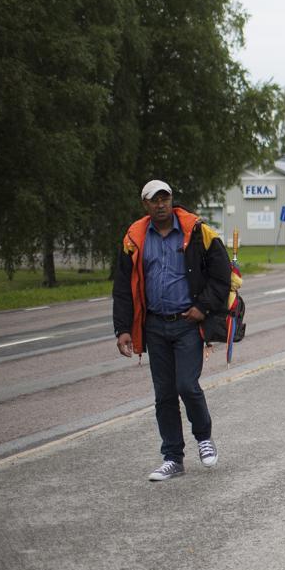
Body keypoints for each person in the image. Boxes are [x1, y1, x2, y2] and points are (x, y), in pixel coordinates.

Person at [113, 180, 231, 481]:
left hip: (188, 324)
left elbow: (222, 275)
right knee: (164, 394)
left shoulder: (197, 232)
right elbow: (124, 287)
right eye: (154, 200)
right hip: (154, 325)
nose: (161, 204)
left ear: (172, 200)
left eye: (165, 198)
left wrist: (202, 308)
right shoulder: (134, 239)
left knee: (186, 386)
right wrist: (123, 328)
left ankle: (204, 437)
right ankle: (172, 458)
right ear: (145, 204)